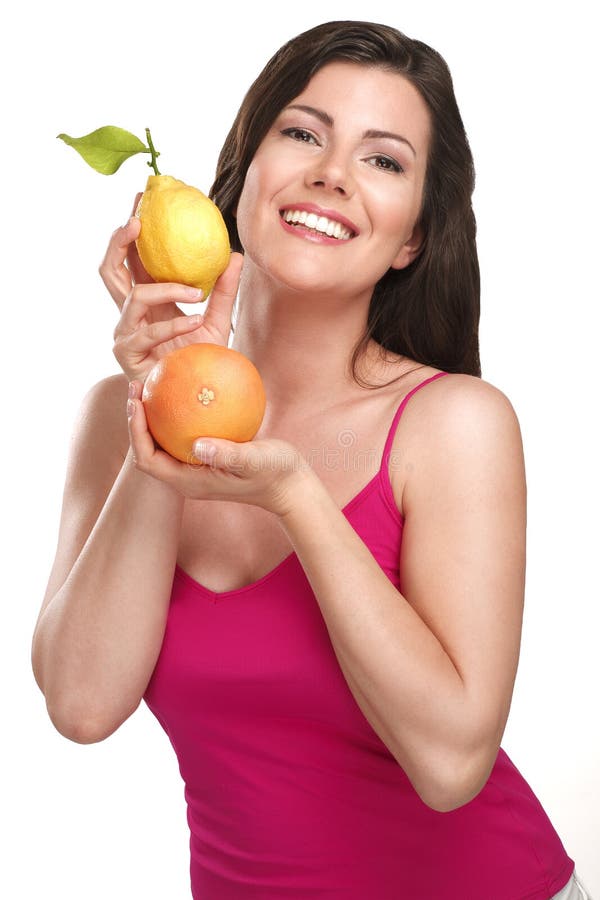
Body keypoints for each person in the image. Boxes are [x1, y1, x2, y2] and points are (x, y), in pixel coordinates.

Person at [31, 20, 592, 900]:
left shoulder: (453, 424)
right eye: (302, 133)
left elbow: (451, 765)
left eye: (384, 160)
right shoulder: (120, 412)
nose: (331, 173)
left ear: (411, 239)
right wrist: (156, 418)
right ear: (240, 178)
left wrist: (297, 496)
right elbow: (81, 705)